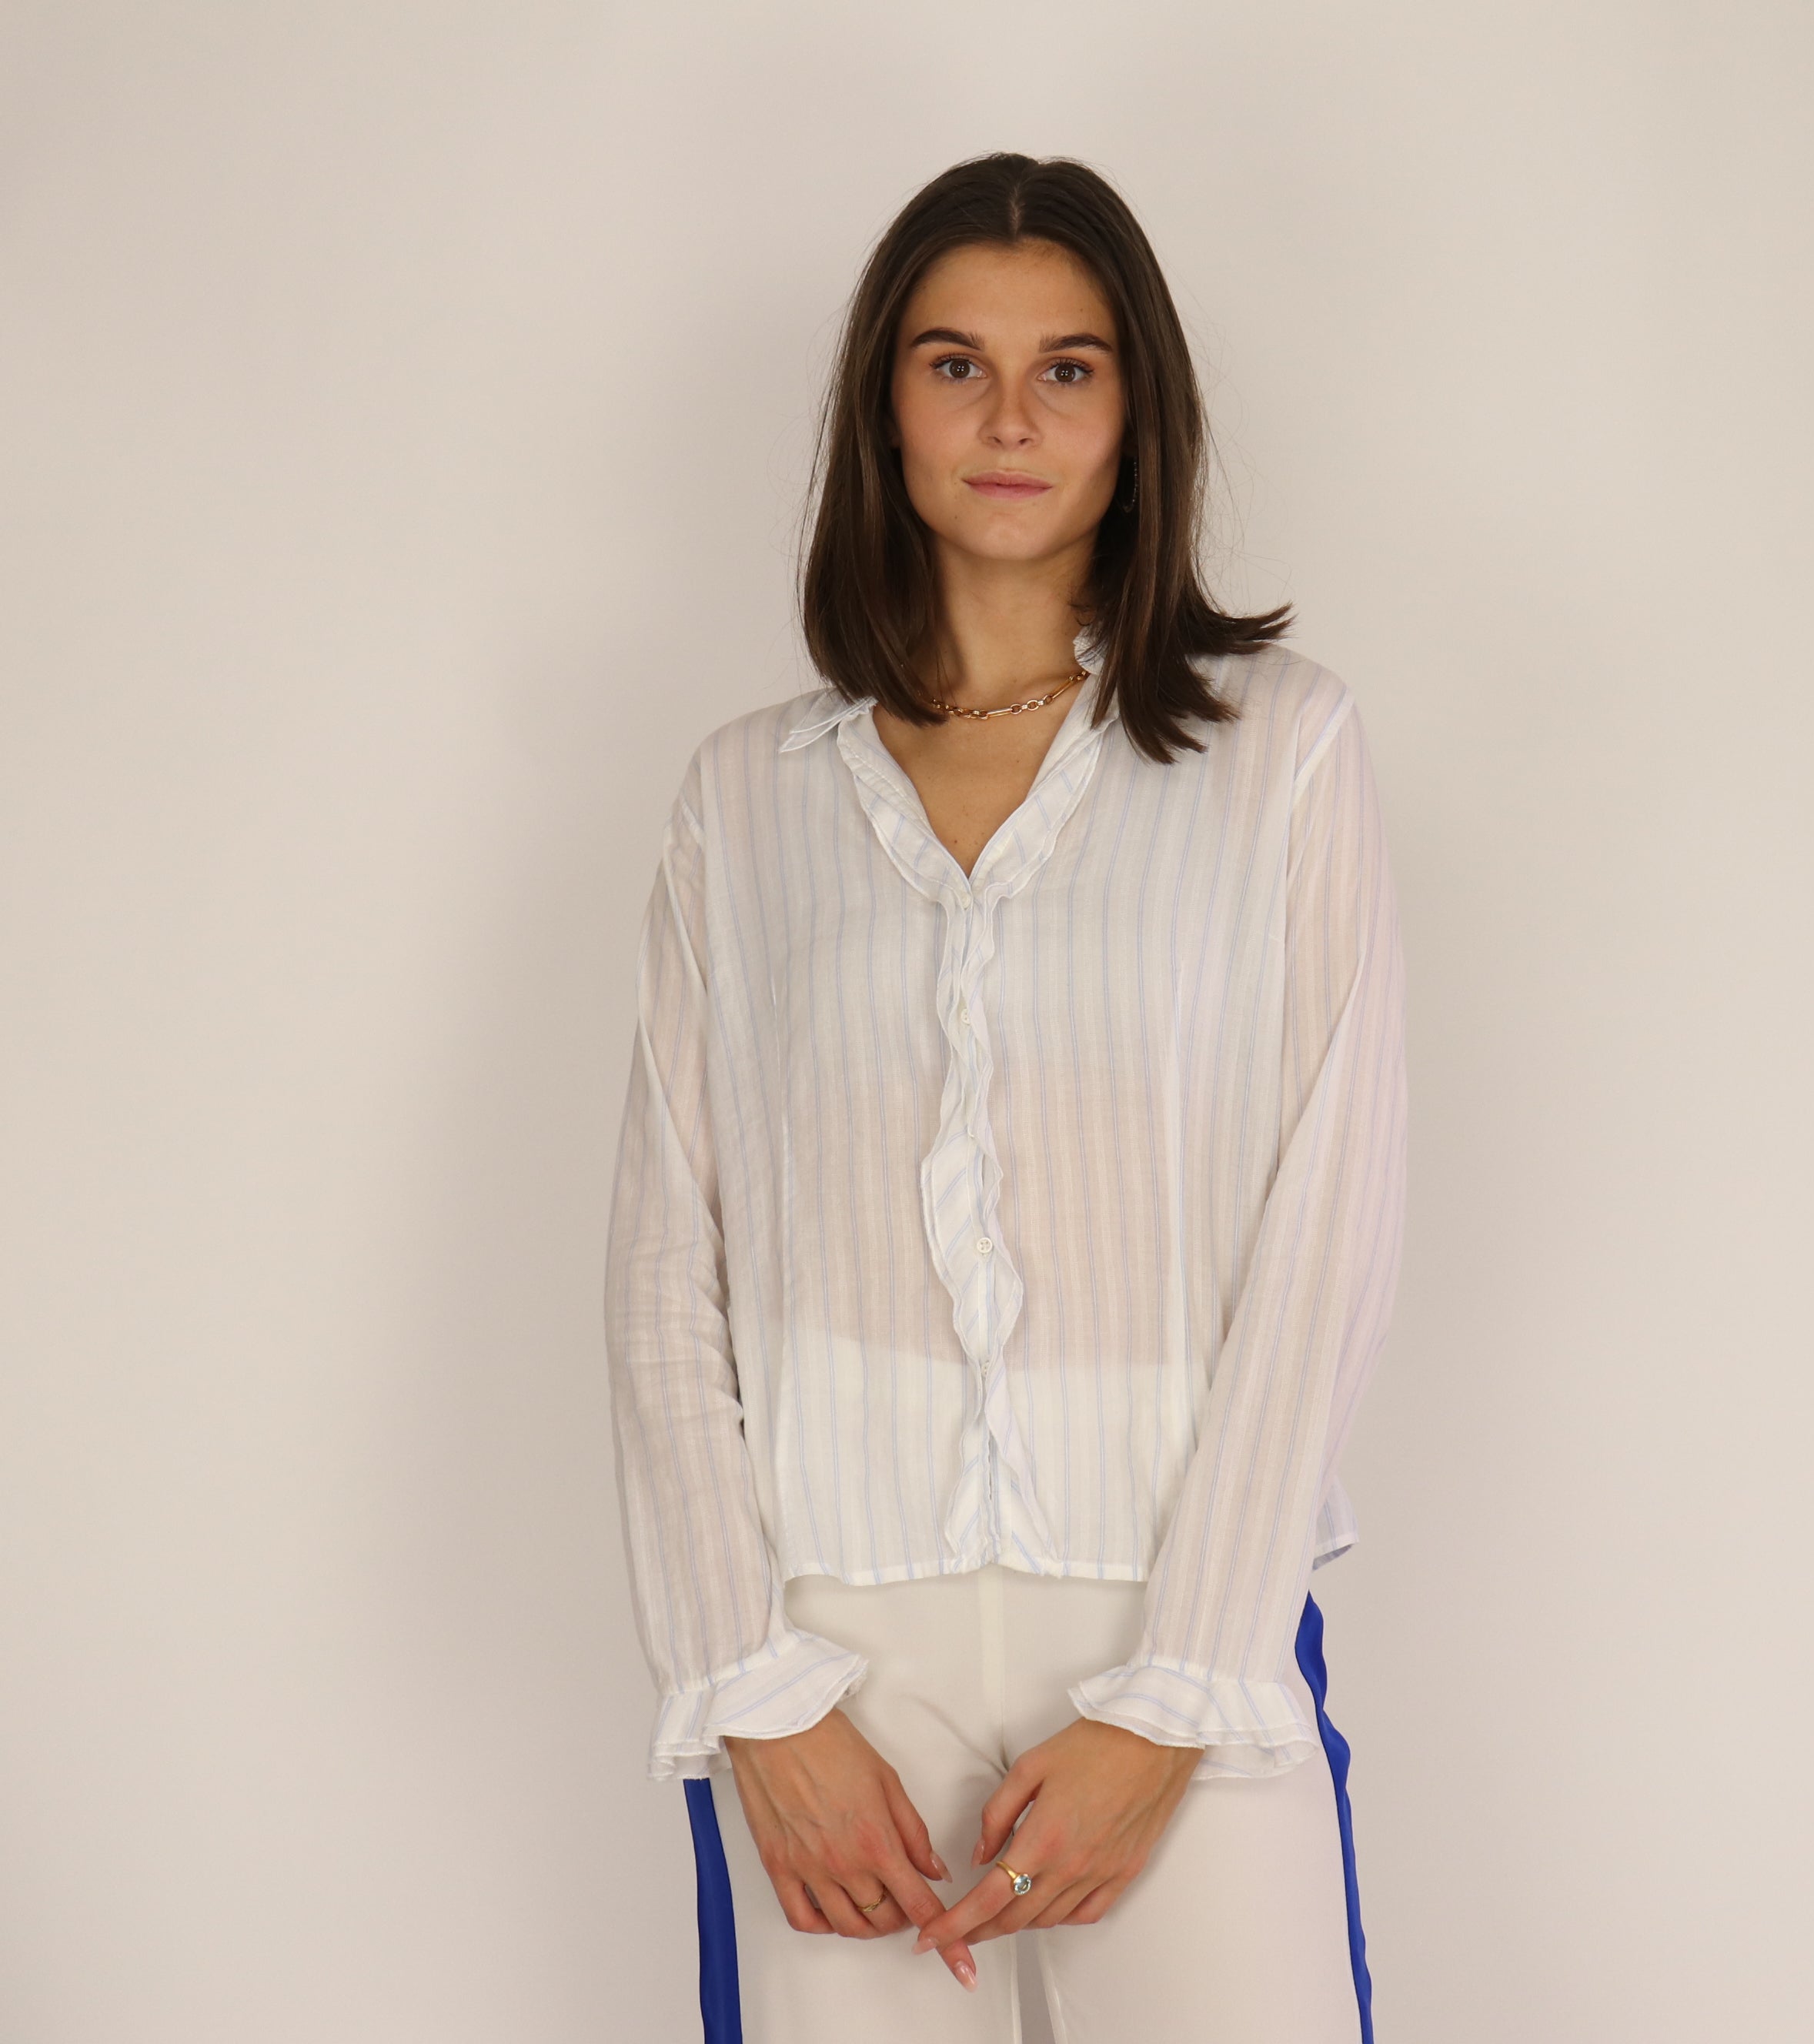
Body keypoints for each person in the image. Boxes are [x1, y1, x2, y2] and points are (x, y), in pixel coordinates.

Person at [602, 150, 1408, 2044]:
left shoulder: (1279, 756)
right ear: (883, 409)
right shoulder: (743, 801)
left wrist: (1176, 1688)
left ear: (1138, 414)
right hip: (829, 1673)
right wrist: (755, 1689)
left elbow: (1329, 1228)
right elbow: (659, 1275)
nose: (1010, 417)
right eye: (953, 363)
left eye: (1069, 367)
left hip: (1172, 1629)